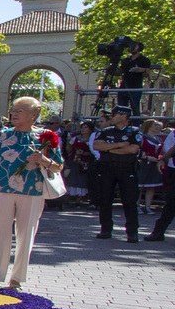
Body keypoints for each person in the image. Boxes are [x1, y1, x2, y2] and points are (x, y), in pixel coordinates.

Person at [0, 97, 64, 290]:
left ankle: (17, 278)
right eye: (13, 110)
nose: (14, 113)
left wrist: (44, 160)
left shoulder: (45, 138)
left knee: (26, 234)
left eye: (20, 110)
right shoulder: (1, 136)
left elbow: (59, 166)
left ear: (34, 114)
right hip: (1, 190)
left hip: (32, 191)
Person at [94, 104, 142, 243]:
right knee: (105, 199)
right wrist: (120, 145)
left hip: (126, 168)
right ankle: (106, 229)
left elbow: (133, 150)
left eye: (114, 115)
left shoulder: (134, 132)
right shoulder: (106, 131)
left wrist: (107, 149)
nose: (111, 118)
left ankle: (132, 232)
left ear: (123, 116)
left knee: (129, 201)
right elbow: (97, 146)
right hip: (107, 168)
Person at [64, 121, 95, 207]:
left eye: (85, 128)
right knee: (71, 180)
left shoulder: (92, 139)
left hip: (86, 163)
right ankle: (67, 199)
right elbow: (68, 150)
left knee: (82, 181)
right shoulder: (76, 138)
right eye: (82, 127)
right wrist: (68, 143)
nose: (83, 130)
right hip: (75, 162)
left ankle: (79, 200)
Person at [118, 41, 150, 118]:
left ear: (139, 48)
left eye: (134, 46)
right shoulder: (125, 60)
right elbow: (120, 71)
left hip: (135, 87)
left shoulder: (144, 60)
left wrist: (141, 70)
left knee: (135, 108)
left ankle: (136, 125)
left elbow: (147, 73)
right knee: (121, 108)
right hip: (124, 87)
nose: (131, 48)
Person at [138, 118, 164, 214]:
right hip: (144, 164)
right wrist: (147, 157)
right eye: (155, 125)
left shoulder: (158, 139)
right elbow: (138, 151)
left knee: (151, 186)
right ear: (149, 127)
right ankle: (137, 205)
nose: (158, 127)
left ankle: (148, 206)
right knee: (140, 186)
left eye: (158, 125)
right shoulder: (142, 138)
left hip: (154, 165)